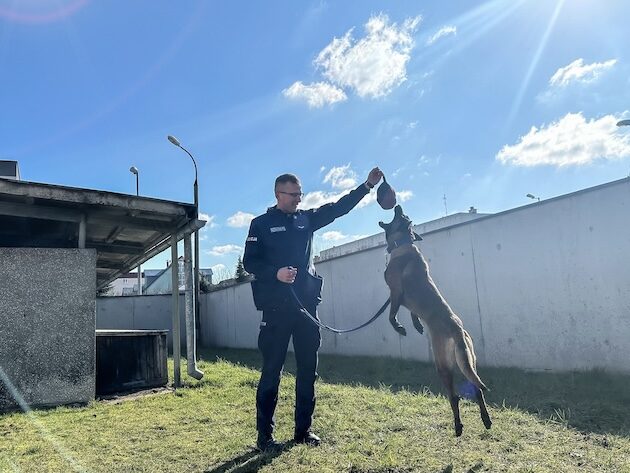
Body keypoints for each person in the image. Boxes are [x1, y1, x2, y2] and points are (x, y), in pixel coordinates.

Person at [243, 167, 383, 451]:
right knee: (272, 372)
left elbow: (337, 209)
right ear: (278, 194)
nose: (298, 199)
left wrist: (367, 185)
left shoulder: (305, 220)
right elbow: (250, 263)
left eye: (300, 194)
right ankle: (265, 437)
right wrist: (275, 273)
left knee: (308, 371)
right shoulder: (260, 224)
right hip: (276, 310)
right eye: (293, 195)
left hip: (306, 309)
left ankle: (303, 431)